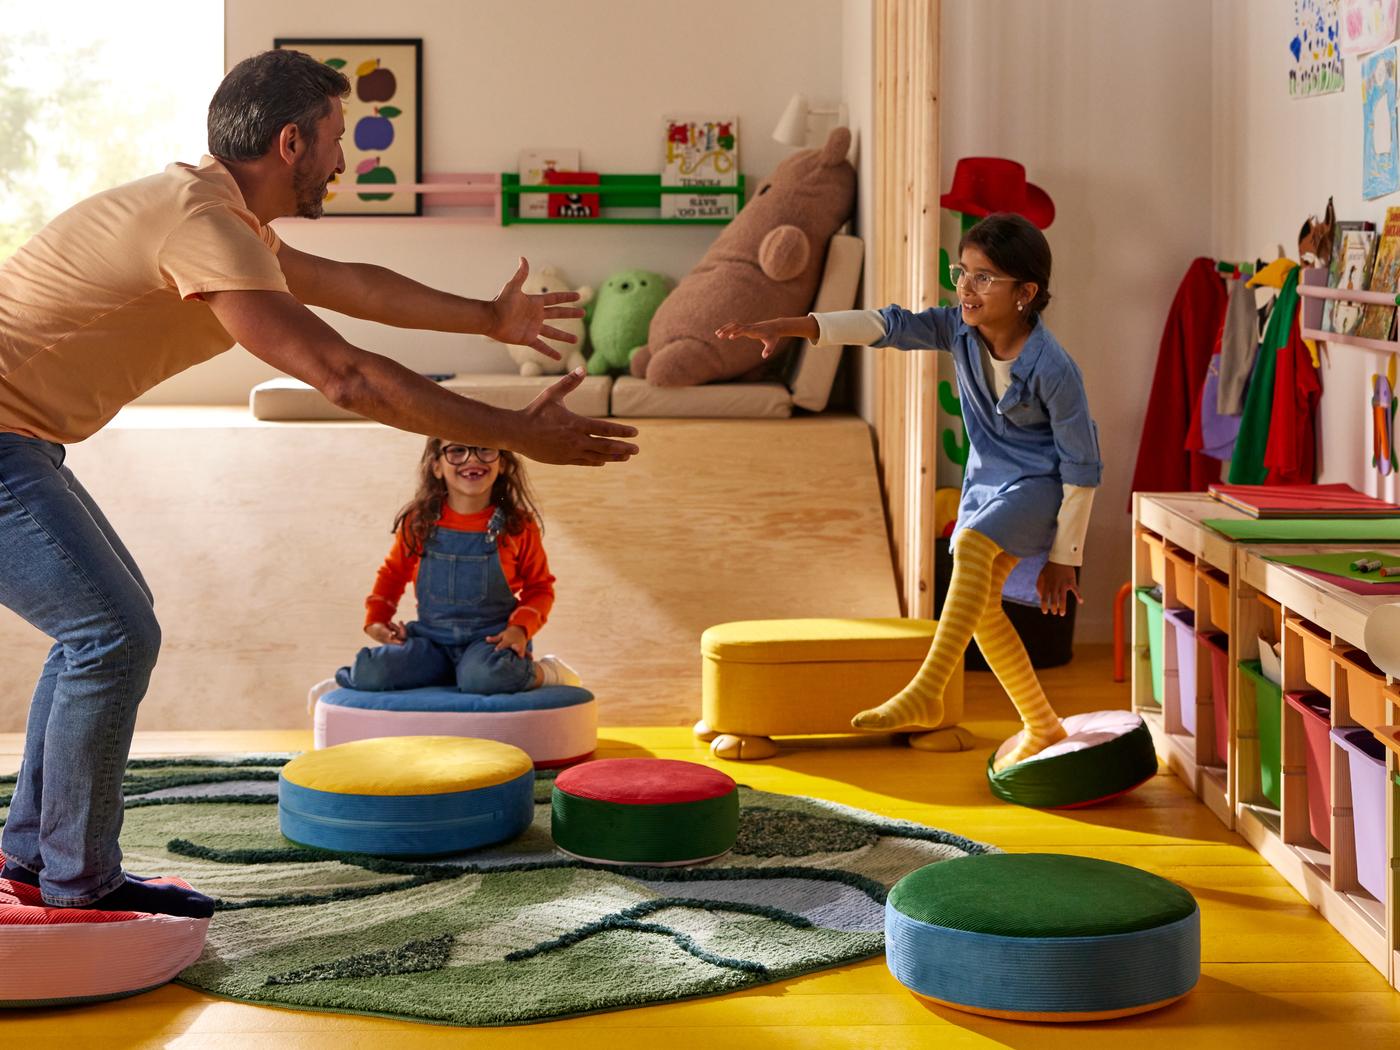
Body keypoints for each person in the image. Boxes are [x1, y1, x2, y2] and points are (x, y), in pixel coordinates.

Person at [0, 48, 637, 917]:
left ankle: (41, 859)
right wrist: (517, 433)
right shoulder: (203, 223)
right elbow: (344, 374)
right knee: (110, 636)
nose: (347, 160)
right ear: (293, 142)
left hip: (23, 442)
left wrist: (489, 319)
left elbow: (353, 288)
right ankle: (78, 884)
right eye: (339, 140)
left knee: (101, 634)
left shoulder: (222, 217)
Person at [717, 212, 1101, 770]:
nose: (966, 288)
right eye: (962, 273)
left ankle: (926, 687)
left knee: (969, 547)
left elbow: (1082, 467)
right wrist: (794, 325)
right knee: (984, 609)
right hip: (989, 481)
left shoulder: (1054, 369)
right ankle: (1042, 724)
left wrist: (1066, 557)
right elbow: (886, 326)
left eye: (984, 278)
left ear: (1026, 293)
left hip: (1041, 484)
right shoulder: (957, 329)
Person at [330, 439, 579, 697]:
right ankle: (443, 672)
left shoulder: (518, 526)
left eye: (485, 448)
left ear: (502, 463)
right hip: (431, 641)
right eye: (457, 450)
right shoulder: (418, 521)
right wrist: (376, 619)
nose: (472, 459)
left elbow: (539, 588)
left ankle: (546, 672)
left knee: (486, 677)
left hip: (489, 643)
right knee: (372, 670)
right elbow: (392, 574)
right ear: (436, 466)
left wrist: (519, 629)